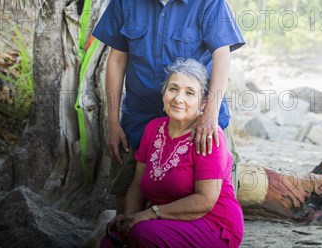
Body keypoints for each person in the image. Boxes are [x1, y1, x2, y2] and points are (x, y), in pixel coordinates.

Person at [92, 0, 244, 212]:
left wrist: (210, 113)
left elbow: (222, 57)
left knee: (210, 198)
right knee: (127, 193)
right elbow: (117, 60)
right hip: (141, 114)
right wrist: (112, 122)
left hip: (198, 117)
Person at [100, 58, 243, 248]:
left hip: (211, 223)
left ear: (202, 104)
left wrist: (150, 214)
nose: (178, 98)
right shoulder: (152, 129)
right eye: (173, 89)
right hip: (164, 219)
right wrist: (130, 217)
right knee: (112, 239)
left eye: (190, 93)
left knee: (143, 234)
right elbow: (136, 186)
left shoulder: (208, 136)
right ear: (163, 94)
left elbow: (205, 200)